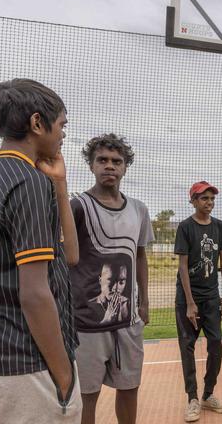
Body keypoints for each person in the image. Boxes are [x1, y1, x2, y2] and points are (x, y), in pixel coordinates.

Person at [0, 79, 82, 422]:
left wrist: (59, 185)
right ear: (37, 123)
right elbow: (34, 293)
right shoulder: (25, 180)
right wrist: (63, 375)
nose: (63, 134)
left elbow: (71, 256)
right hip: (31, 362)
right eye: (61, 124)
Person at [69, 134, 154, 424]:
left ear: (125, 167)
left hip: (127, 321)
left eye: (116, 161)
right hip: (87, 323)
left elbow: (140, 257)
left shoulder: (139, 209)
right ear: (91, 165)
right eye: (102, 160)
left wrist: (144, 302)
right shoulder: (77, 207)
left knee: (130, 389)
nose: (109, 166)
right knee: (86, 397)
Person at [175, 181, 222, 422]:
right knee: (187, 347)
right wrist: (189, 303)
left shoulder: (220, 227)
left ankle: (208, 394)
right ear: (193, 201)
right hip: (188, 297)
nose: (209, 203)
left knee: (216, 345)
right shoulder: (186, 227)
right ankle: (193, 398)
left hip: (211, 297)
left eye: (211, 199)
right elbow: (183, 266)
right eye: (203, 198)